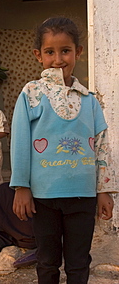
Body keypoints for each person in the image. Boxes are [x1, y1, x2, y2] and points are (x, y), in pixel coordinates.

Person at [10, 17, 116, 284]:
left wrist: (104, 190)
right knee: (47, 262)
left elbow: (101, 146)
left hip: (83, 197)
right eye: (49, 52)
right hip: (44, 198)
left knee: (79, 263)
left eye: (65, 50)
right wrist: (21, 186)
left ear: (78, 52)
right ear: (38, 55)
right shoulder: (31, 94)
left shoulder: (89, 100)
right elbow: (20, 141)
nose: (58, 59)